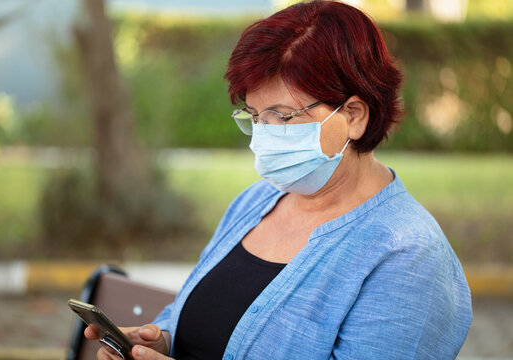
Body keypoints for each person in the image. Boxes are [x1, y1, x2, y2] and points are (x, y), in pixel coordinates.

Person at [85, 1, 472, 359]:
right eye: (254, 116)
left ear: (354, 115)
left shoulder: (408, 255)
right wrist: (162, 339)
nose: (264, 135)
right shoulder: (256, 201)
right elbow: (200, 314)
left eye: (281, 116)